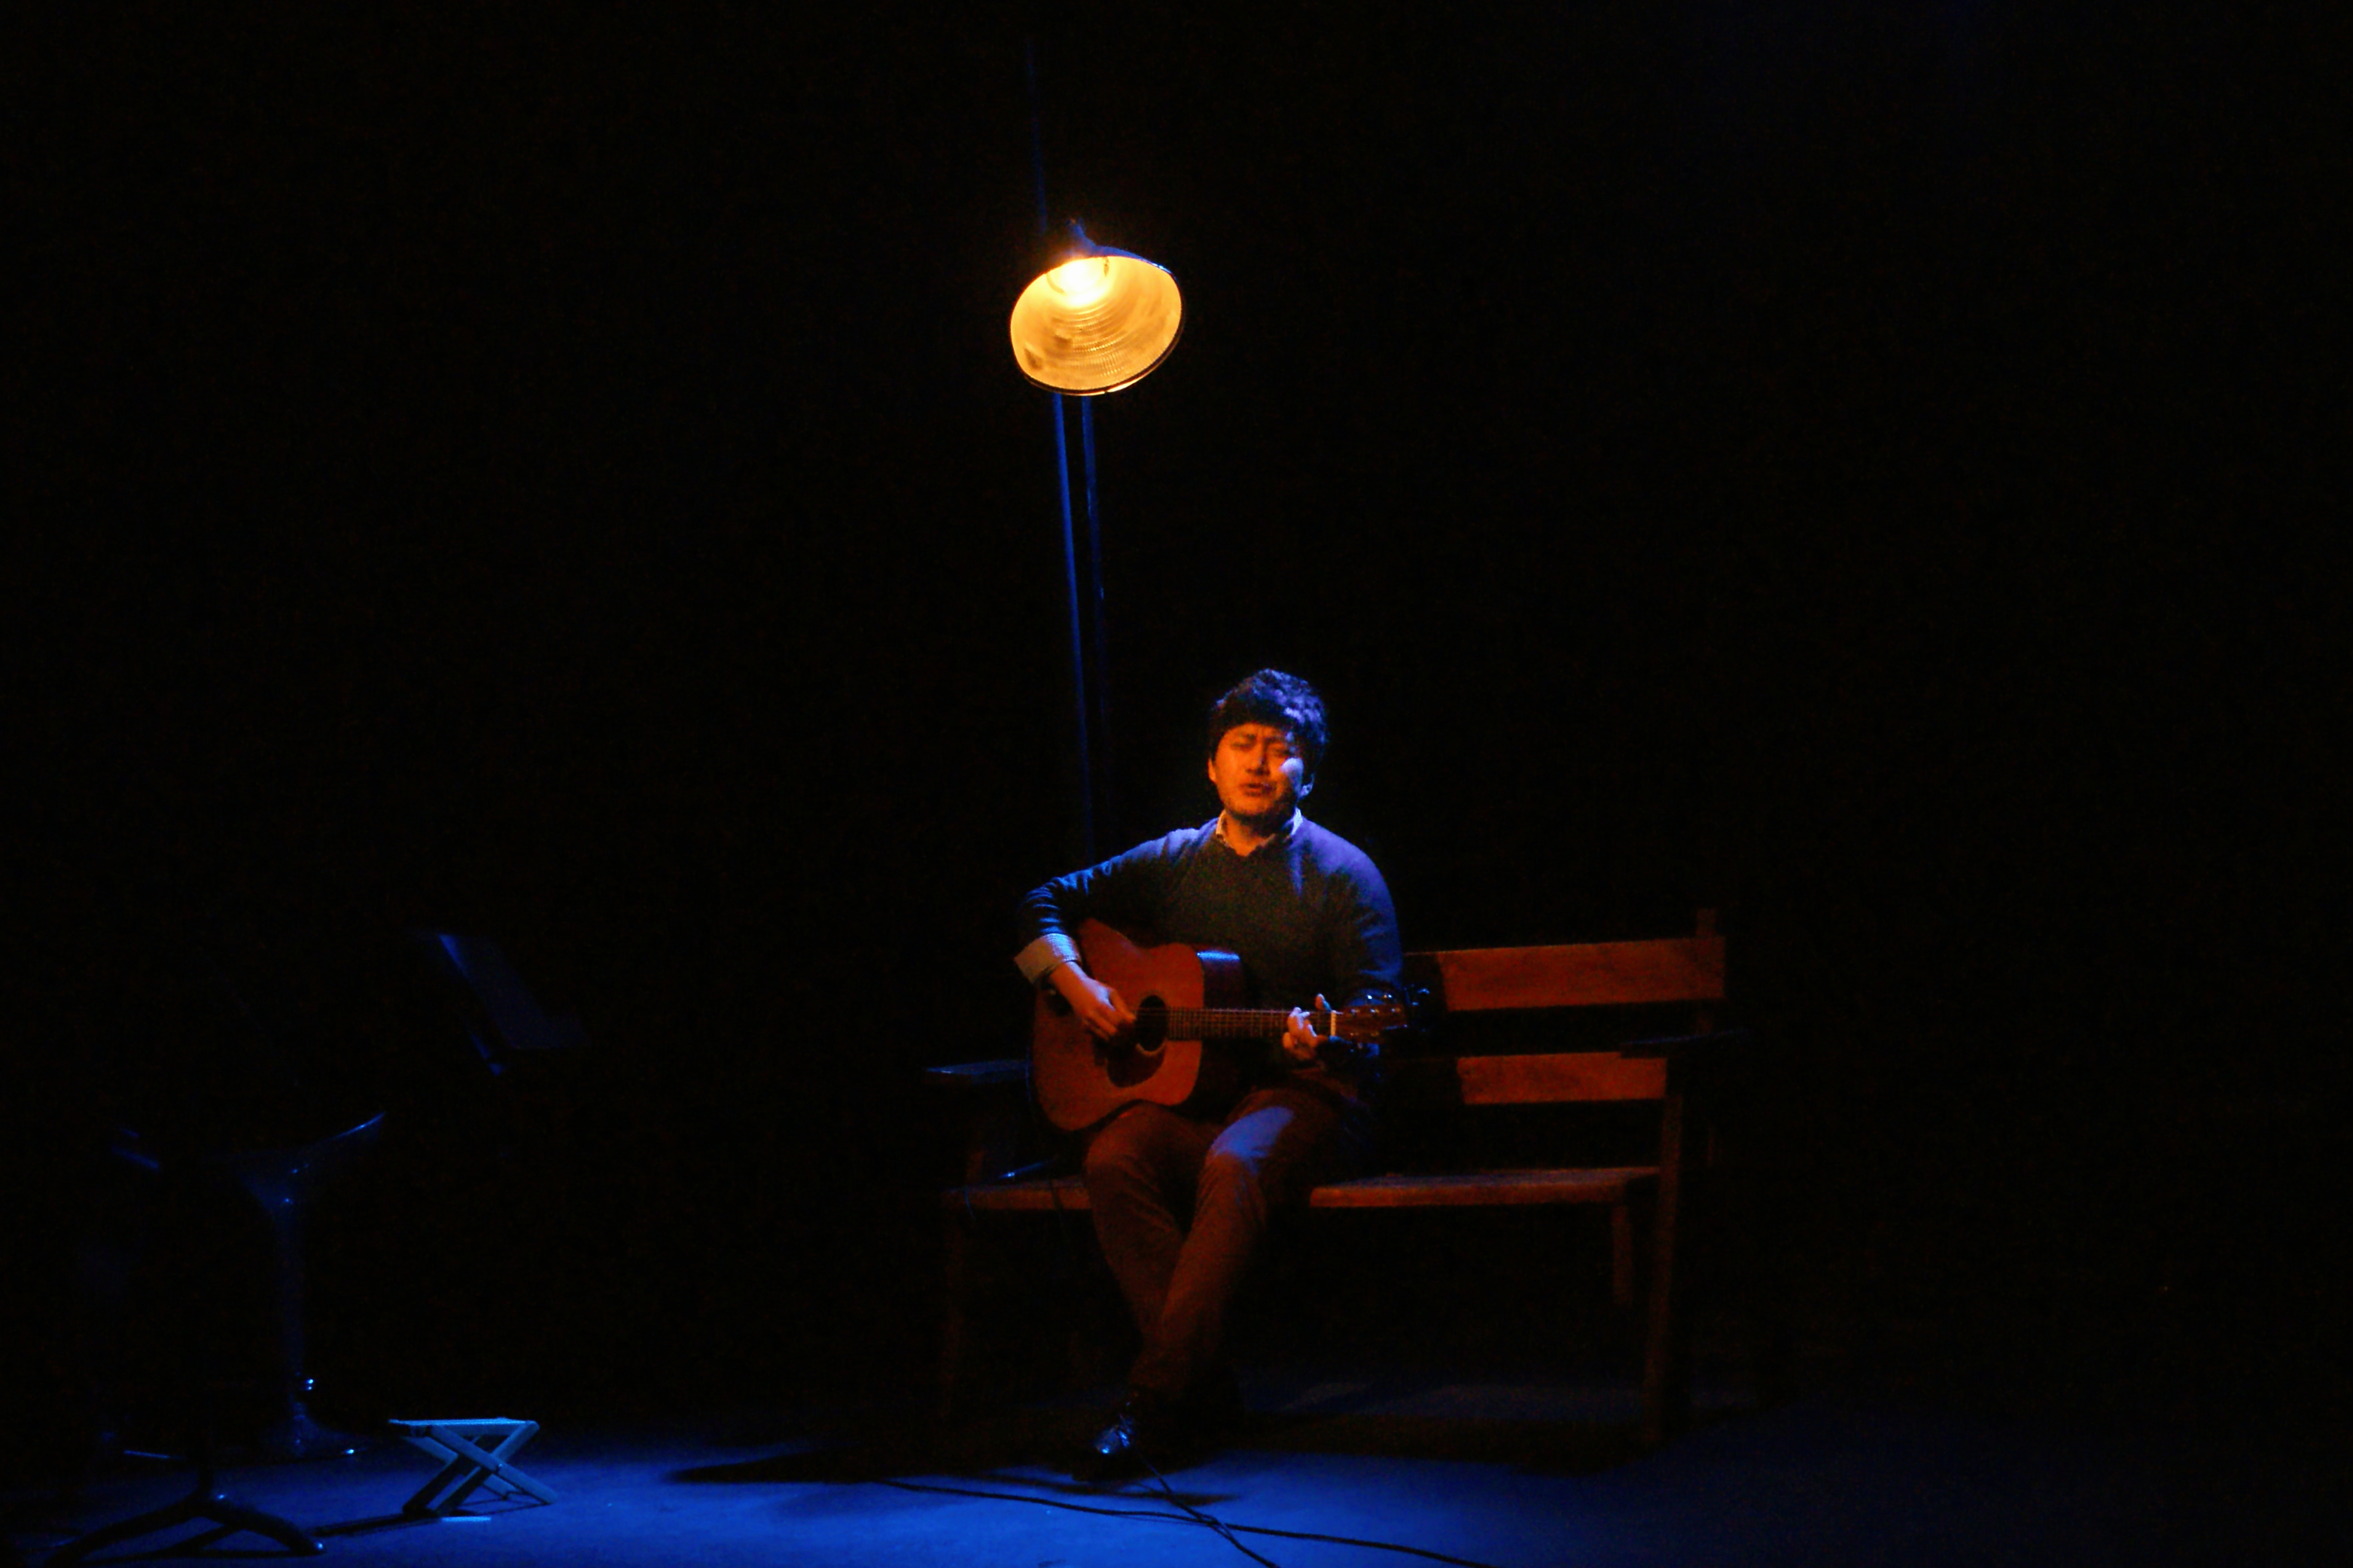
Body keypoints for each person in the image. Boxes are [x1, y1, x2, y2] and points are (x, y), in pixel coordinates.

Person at [1013, 669, 1404, 1480]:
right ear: (1211, 766)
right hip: (1203, 1097)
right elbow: (1037, 903)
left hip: (1313, 1096)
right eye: (1242, 745)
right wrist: (1075, 985)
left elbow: (1376, 1016)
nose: (1259, 763)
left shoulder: (1344, 874)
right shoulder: (1173, 861)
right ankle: (1203, 1388)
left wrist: (1329, 1043)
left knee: (1234, 1163)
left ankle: (1156, 1401)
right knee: (1114, 1156)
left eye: (1280, 749)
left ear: (1308, 772)